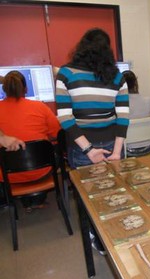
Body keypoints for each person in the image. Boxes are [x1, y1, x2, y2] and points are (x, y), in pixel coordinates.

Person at [55, 28, 129, 254]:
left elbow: (65, 118)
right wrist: (117, 152)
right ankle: (114, 236)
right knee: (114, 194)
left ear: (82, 47)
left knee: (89, 196)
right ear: (108, 50)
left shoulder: (66, 74)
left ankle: (96, 236)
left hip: (81, 147)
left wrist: (88, 150)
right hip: (112, 145)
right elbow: (123, 117)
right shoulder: (118, 77)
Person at [0, 71, 61, 212]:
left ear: (4, 89)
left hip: (6, 175)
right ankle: (36, 200)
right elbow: (56, 133)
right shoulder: (40, 107)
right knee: (54, 150)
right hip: (41, 171)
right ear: (26, 89)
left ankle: (21, 200)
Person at [122, 70, 150, 157]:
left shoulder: (120, 104)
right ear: (136, 83)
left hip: (127, 149)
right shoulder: (148, 101)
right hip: (148, 147)